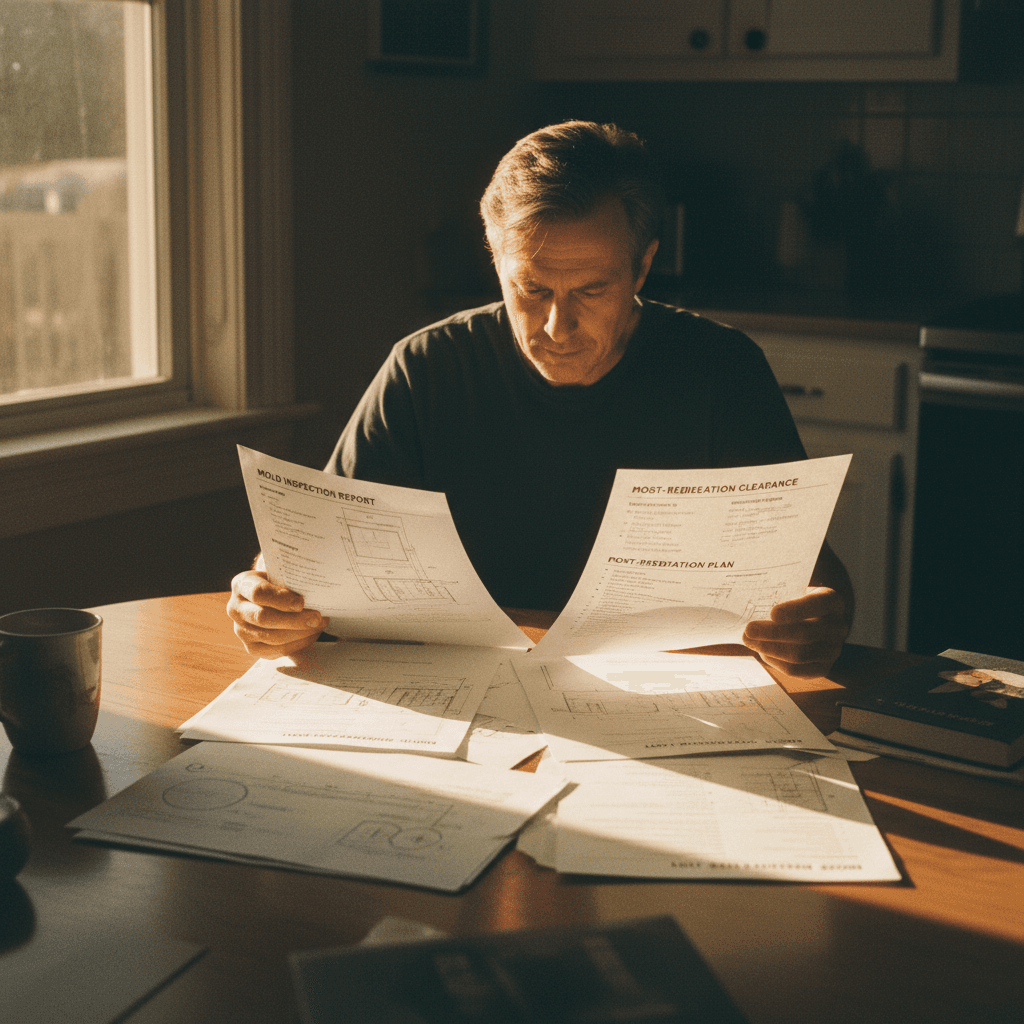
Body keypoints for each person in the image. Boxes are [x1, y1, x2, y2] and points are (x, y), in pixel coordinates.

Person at [228, 120, 854, 677]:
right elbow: (315, 561)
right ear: (495, 260)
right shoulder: (426, 369)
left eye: (590, 290)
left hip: (670, 691)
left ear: (642, 269)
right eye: (529, 288)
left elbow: (816, 579)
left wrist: (818, 624)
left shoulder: (721, 371)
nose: (556, 328)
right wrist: (271, 600)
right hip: (462, 690)